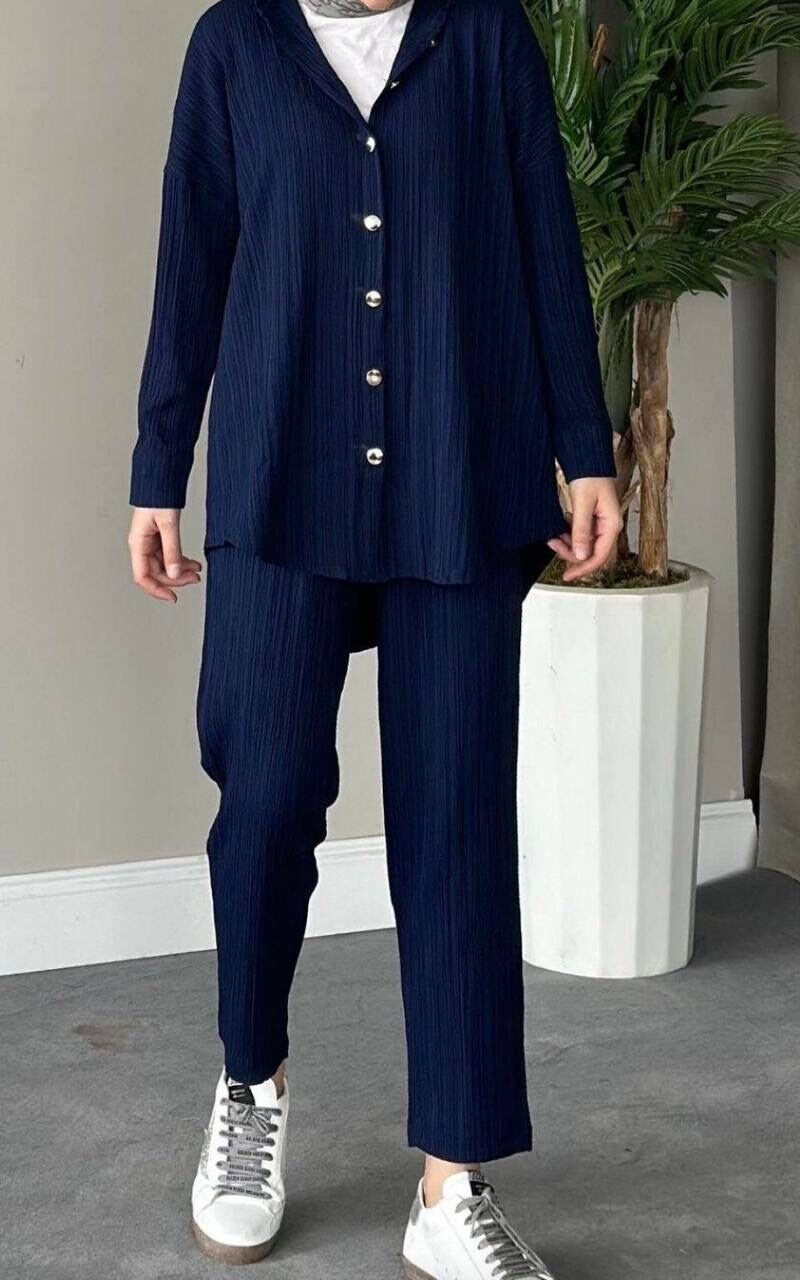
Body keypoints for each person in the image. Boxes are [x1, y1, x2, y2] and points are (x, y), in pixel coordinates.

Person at [128, 0, 622, 1273]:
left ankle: (451, 1183)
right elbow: (192, 259)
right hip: (278, 471)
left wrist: (585, 448)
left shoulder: (486, 37)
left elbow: (542, 243)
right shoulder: (234, 45)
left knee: (454, 818)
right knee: (262, 796)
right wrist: (157, 471)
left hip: (461, 471)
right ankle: (250, 1080)